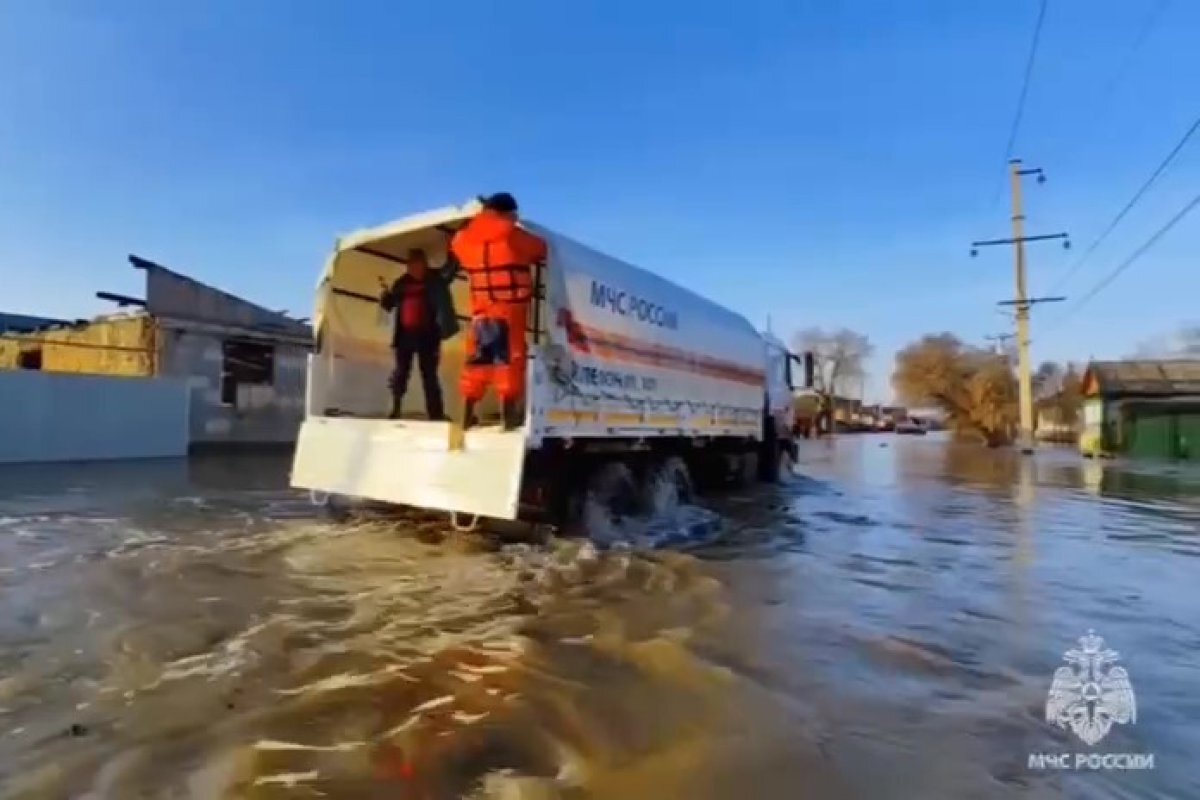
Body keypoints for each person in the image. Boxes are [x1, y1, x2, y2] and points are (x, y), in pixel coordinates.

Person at [450, 192, 547, 430]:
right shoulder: (513, 236)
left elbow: (455, 246)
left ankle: (466, 414)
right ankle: (509, 416)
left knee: (476, 362)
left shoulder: (464, 239)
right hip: (508, 310)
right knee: (510, 361)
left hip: (481, 311)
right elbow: (541, 249)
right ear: (508, 212)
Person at [378, 248, 459, 420]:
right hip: (405, 336)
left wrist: (453, 247)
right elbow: (390, 304)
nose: (414, 268)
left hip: (428, 336)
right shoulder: (401, 283)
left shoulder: (435, 280)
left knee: (429, 375)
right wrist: (385, 297)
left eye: (418, 263)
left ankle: (436, 414)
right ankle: (396, 409)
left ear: (424, 264)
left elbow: (451, 269)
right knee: (401, 373)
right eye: (411, 264)